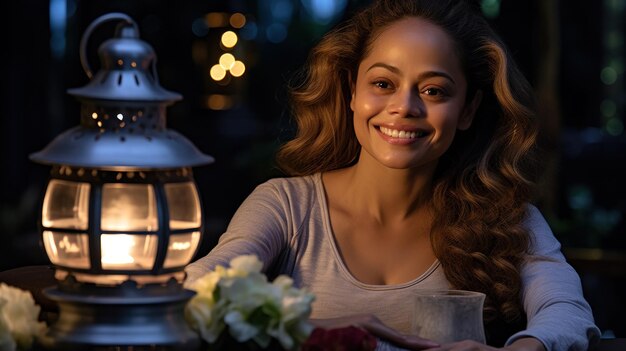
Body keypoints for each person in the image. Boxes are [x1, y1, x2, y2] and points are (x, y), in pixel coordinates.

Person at [186, 0, 601, 350]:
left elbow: (567, 311)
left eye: (433, 90)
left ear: (468, 110)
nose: (405, 107)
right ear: (352, 91)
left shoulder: (506, 216)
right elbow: (200, 291)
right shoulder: (287, 206)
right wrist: (322, 327)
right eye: (383, 83)